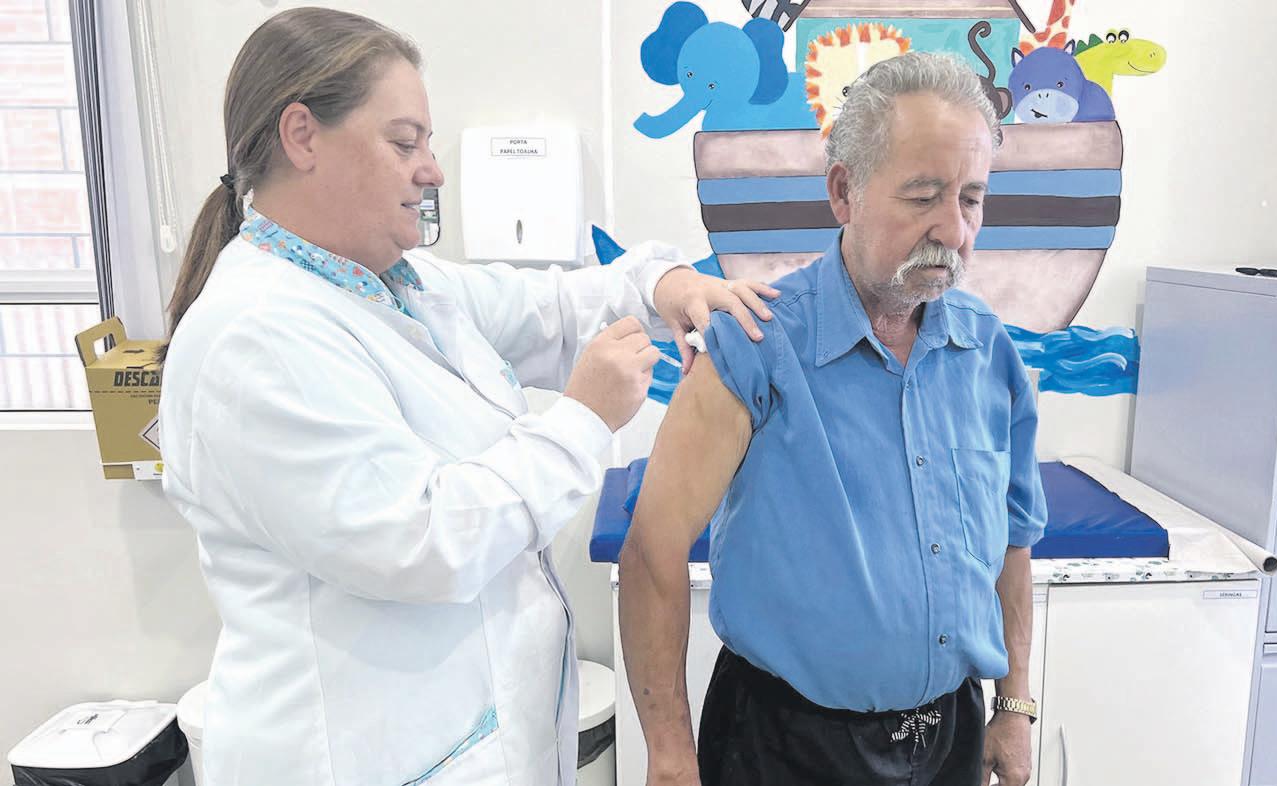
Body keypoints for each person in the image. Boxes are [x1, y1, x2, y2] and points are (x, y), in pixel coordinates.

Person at [157, 8, 776, 786]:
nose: (433, 170)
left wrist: (665, 283)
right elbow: (422, 541)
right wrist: (583, 420)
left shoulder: (396, 285)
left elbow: (551, 309)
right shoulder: (253, 339)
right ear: (302, 135)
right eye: (404, 142)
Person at [618, 51, 1048, 786]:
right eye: (923, 197)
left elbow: (1011, 541)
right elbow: (651, 553)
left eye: (971, 198)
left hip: (949, 734)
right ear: (844, 192)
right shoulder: (755, 343)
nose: (954, 230)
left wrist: (1013, 707)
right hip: (783, 745)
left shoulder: (986, 351)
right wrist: (669, 755)